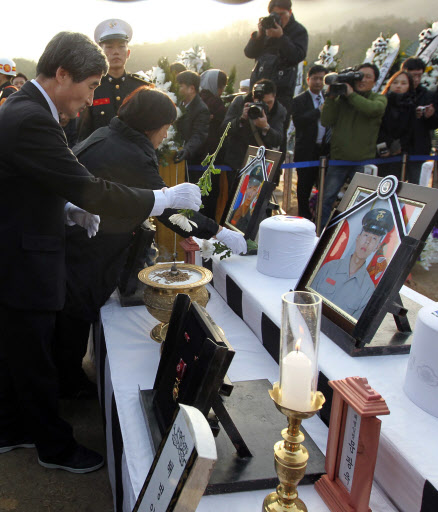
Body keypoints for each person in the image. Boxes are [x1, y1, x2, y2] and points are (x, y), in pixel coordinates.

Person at [0, 32, 201, 474]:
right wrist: (162, 200)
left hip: (24, 246)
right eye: (90, 86)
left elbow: (37, 182)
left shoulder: (26, 110)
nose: (91, 99)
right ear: (62, 74)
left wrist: (67, 208)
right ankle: (54, 447)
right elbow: (92, 188)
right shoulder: (31, 117)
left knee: (20, 354)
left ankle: (12, 427)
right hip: (19, 260)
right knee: (34, 359)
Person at [55, 85, 246, 398]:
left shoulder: (110, 135)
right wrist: (218, 232)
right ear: (151, 125)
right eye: (166, 128)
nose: (166, 135)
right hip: (87, 247)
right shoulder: (131, 152)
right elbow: (168, 209)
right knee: (73, 321)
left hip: (76, 239)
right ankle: (69, 388)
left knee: (71, 320)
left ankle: (69, 379)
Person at [320, 63, 387, 226]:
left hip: (363, 161)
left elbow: (371, 109)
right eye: (359, 75)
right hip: (339, 160)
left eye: (368, 77)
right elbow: (326, 120)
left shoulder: (378, 98)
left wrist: (350, 94)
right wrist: (330, 98)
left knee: (363, 202)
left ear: (375, 81)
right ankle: (320, 235)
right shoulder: (341, 100)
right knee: (326, 199)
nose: (362, 79)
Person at [312, 208, 394, 319]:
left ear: (377, 247)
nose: (367, 241)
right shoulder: (329, 267)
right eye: (366, 235)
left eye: (374, 238)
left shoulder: (368, 289)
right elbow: (306, 299)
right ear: (358, 238)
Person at [76, 18, 149, 141]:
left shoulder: (141, 87)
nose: (116, 52)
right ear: (101, 53)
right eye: (109, 47)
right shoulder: (91, 88)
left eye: (121, 47)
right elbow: (82, 133)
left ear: (128, 53)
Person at [244, 0, 308, 116]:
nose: (279, 18)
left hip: (282, 92)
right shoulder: (266, 28)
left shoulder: (298, 31)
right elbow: (249, 53)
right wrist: (259, 36)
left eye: (282, 14)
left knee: (276, 130)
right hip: (258, 88)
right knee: (252, 127)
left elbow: (297, 56)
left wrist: (281, 37)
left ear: (290, 12)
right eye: (275, 14)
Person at [222, 78, 286, 191]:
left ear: (274, 97)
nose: (265, 107)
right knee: (234, 203)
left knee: (259, 205)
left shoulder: (278, 110)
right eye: (260, 103)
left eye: (269, 103)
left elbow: (278, 140)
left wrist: (266, 127)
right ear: (253, 97)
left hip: (262, 165)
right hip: (237, 163)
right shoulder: (240, 102)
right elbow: (224, 129)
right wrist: (241, 120)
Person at [291, 64, 329, 220]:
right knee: (304, 187)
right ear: (308, 80)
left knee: (324, 187)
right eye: (315, 79)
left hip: (325, 149)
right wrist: (318, 110)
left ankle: (319, 216)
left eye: (322, 79)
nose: (318, 82)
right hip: (306, 150)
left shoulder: (330, 98)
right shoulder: (299, 100)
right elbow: (299, 121)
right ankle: (303, 216)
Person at [401, 57, 438, 184]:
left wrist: (430, 116)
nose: (416, 79)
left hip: (419, 148)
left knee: (414, 188)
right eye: (413, 76)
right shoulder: (395, 93)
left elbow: (433, 125)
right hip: (397, 149)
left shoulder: (428, 95)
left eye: (419, 75)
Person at [199, 69, 228, 219]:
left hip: (197, 154)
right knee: (210, 194)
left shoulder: (197, 98)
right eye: (220, 86)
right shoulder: (215, 102)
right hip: (211, 153)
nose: (221, 91)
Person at [377, 70, 416, 179]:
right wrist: (385, 146)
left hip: (399, 156)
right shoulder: (381, 102)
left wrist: (398, 147)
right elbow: (377, 128)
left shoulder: (411, 106)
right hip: (379, 153)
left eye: (403, 83)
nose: (398, 86)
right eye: (395, 82)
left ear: (409, 86)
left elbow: (410, 131)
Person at [174, 70, 210, 168]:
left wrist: (187, 150)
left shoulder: (201, 109)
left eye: (180, 86)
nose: (177, 89)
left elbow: (198, 135)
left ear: (192, 89)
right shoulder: (177, 103)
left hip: (191, 162)